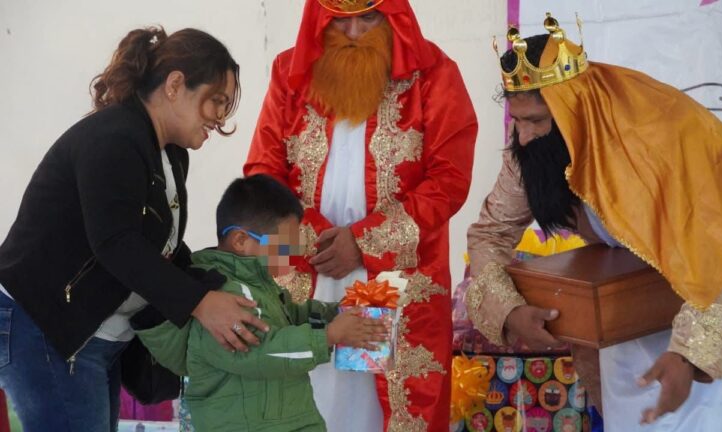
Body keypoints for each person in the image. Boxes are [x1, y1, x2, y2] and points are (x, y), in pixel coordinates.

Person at [465, 13, 722, 431]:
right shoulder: (535, 149)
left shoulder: (660, 136)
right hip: (626, 325)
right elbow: (491, 231)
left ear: (574, 110)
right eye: (516, 120)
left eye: (536, 121)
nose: (523, 136)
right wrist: (508, 309)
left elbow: (720, 250)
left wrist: (687, 355)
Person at [0, 26, 268, 432]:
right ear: (176, 85)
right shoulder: (114, 137)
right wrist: (200, 302)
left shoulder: (171, 153)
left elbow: (163, 250)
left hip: (98, 337)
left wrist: (221, 287)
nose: (220, 118)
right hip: (46, 329)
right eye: (216, 102)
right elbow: (116, 242)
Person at [244, 1, 478, 429]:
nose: (353, 33)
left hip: (392, 278)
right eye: (340, 20)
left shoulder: (434, 76)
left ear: (393, 19)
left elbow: (449, 179)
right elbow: (263, 170)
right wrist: (318, 239)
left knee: (376, 405)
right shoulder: (290, 72)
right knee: (309, 397)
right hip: (304, 270)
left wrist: (364, 242)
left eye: (368, 18)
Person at [133, 175, 389, 432]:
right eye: (285, 246)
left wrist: (338, 312)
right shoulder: (222, 295)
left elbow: (293, 317)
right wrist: (330, 335)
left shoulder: (261, 286)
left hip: (292, 420)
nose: (294, 254)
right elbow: (260, 353)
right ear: (241, 241)